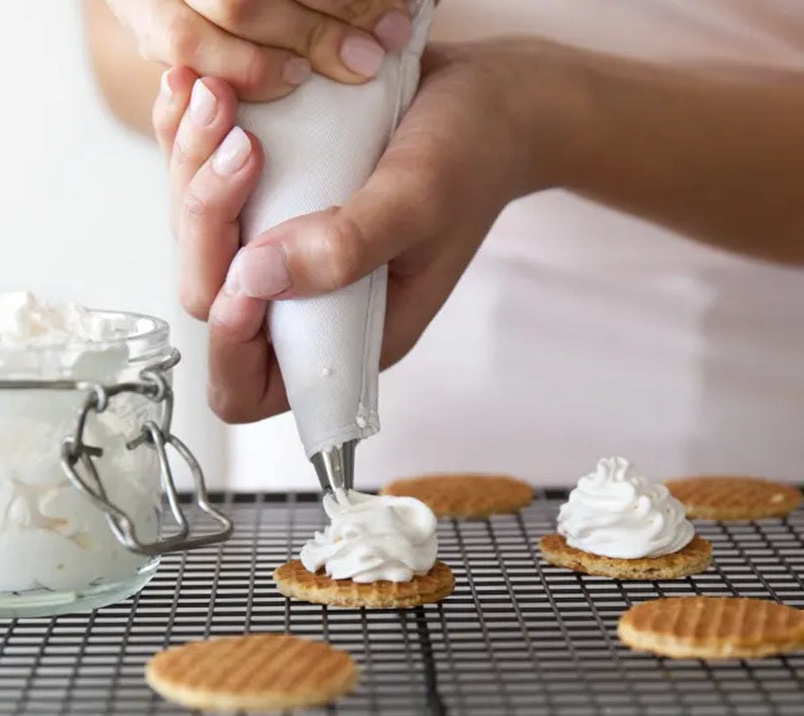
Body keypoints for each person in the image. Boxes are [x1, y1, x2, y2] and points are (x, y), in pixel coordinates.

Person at [84, 0, 804, 486]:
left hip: (739, 403)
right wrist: (214, 46)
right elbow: (113, 50)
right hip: (333, 370)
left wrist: (537, 113)